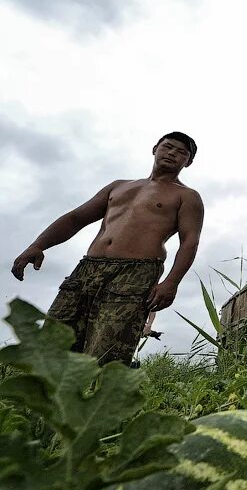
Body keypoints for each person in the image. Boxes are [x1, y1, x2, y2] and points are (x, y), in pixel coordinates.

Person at [10, 132, 204, 365]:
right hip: (88, 269)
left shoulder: (186, 196)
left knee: (107, 353)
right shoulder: (118, 187)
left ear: (188, 162)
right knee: (54, 341)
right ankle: (47, 398)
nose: (172, 153)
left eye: (182, 152)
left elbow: (190, 241)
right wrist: (38, 245)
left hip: (135, 274)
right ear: (155, 149)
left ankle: (100, 397)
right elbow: (76, 218)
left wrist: (171, 282)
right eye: (168, 147)